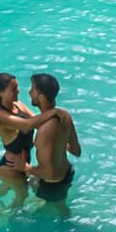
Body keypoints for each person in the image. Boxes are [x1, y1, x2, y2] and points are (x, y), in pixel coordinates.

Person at [28, 72, 81, 203]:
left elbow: (50, 174)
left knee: (20, 178)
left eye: (32, 90)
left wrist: (26, 168)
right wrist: (59, 143)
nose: (29, 92)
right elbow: (76, 151)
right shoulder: (65, 116)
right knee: (61, 207)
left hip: (52, 183)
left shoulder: (45, 130)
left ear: (41, 98)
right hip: (67, 173)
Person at [0, 72, 39, 196]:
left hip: (23, 165)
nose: (18, 91)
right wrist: (55, 113)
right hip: (10, 168)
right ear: (1, 93)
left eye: (17, 87)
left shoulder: (19, 106)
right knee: (21, 199)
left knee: (10, 190)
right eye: (14, 89)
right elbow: (28, 124)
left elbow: (37, 121)